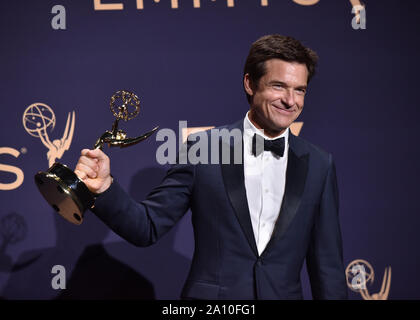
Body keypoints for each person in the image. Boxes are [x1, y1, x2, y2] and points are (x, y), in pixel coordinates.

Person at [74, 34, 348, 299]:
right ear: (250, 84)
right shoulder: (204, 149)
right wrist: (104, 188)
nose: (291, 100)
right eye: (278, 86)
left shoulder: (319, 164)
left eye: (299, 90)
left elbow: (328, 269)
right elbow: (147, 227)